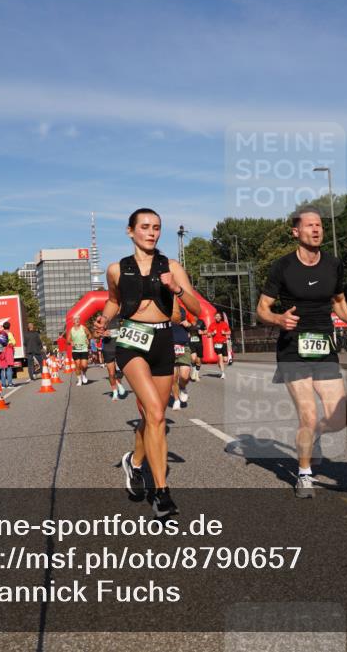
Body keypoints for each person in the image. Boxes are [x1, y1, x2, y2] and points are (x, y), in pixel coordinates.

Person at [94, 207, 202, 518]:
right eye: (145, 227)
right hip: (131, 342)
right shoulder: (116, 269)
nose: (152, 232)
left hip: (163, 340)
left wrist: (176, 289)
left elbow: (195, 305)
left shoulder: (172, 266)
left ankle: (135, 462)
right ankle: (161, 492)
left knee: (152, 417)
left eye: (156, 227)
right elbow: (114, 300)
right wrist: (104, 319)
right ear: (131, 231)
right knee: (155, 413)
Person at [257, 206, 347, 499]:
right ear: (296, 232)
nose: (316, 229)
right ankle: (304, 473)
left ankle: (311, 438)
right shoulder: (282, 267)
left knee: (339, 418)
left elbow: (339, 301)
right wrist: (279, 319)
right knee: (308, 416)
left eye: (319, 225)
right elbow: (262, 309)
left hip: (324, 346)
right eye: (309, 226)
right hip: (293, 348)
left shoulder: (333, 264)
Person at [100, 317, 126, 401]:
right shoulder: (103, 320)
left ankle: (119, 383)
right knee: (111, 373)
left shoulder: (121, 317)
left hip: (120, 348)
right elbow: (95, 334)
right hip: (108, 349)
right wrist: (102, 333)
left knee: (122, 371)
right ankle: (115, 392)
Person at [170, 320, 193, 410]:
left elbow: (195, 326)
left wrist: (189, 325)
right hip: (169, 347)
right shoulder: (163, 311)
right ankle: (176, 400)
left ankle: (182, 387)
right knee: (173, 377)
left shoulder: (184, 310)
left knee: (184, 376)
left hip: (184, 347)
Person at [207, 311, 231, 379]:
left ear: (221, 317)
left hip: (223, 343)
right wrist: (212, 333)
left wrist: (225, 333)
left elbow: (229, 332)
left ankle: (219, 363)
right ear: (214, 317)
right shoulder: (212, 325)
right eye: (216, 316)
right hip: (216, 344)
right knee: (220, 357)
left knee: (225, 360)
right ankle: (223, 373)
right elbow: (208, 335)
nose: (218, 317)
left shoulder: (224, 324)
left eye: (219, 316)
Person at [69, 316, 91, 385]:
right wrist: (71, 342)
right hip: (75, 350)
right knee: (77, 365)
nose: (77, 320)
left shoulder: (83, 328)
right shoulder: (71, 330)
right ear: (73, 322)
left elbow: (89, 335)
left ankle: (84, 374)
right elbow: (68, 340)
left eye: (78, 319)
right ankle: (79, 380)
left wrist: (88, 339)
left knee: (84, 365)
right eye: (75, 319)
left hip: (84, 349)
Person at [0, 323, 15, 387]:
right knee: (9, 367)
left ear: (3, 327)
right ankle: (10, 383)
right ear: (9, 327)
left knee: (3, 368)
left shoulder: (0, 334)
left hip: (1, 351)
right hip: (8, 350)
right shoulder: (10, 334)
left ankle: (3, 384)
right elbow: (14, 342)